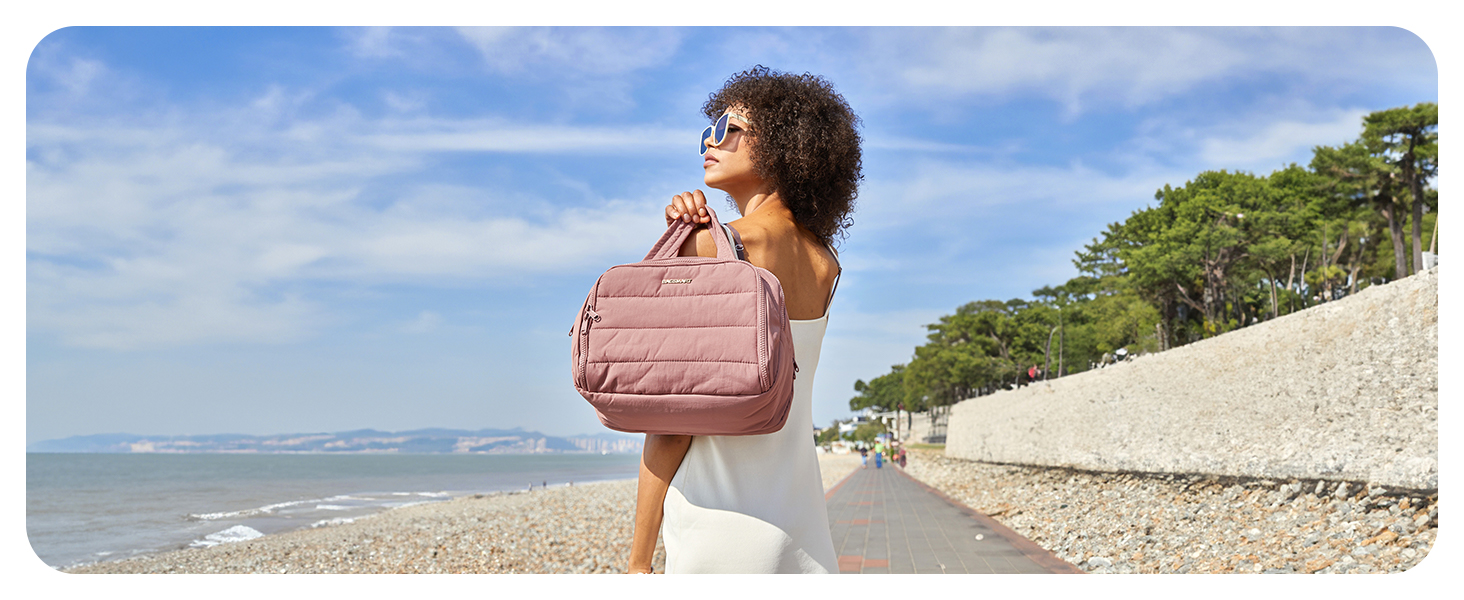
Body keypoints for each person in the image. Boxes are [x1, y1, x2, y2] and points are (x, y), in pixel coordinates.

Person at [627, 66, 862, 574]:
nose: (708, 142)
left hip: (718, 525)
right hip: (802, 532)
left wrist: (638, 562)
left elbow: (671, 423)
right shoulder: (827, 263)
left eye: (727, 130)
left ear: (784, 144)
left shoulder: (712, 244)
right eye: (707, 130)